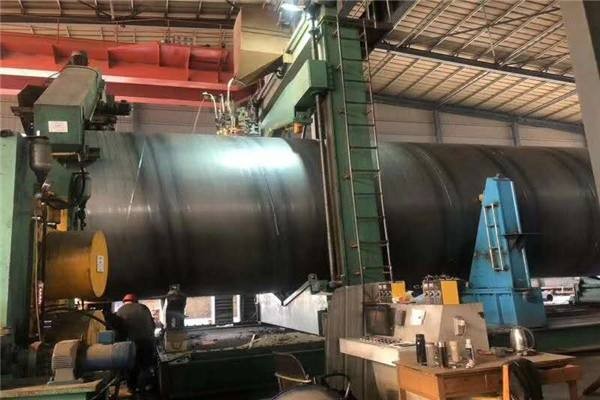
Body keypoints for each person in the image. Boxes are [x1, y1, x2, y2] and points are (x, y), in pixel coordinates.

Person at [115, 294, 156, 393]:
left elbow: (119, 332)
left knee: (131, 368)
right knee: (146, 366)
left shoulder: (120, 311)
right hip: (147, 342)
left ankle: (132, 389)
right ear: (136, 301)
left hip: (130, 345)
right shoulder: (144, 308)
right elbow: (153, 325)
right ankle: (146, 387)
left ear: (124, 302)